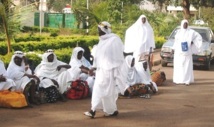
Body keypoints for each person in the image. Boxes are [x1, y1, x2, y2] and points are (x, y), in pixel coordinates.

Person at [84, 21, 132, 118]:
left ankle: (98, 110)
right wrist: (93, 67)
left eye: (99, 30)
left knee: (108, 92)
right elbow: (99, 56)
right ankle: (104, 110)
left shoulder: (114, 40)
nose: (98, 32)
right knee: (100, 90)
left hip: (110, 71)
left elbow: (117, 57)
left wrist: (116, 71)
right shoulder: (102, 41)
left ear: (104, 30)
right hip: (101, 71)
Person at [172, 19, 202, 85]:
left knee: (187, 67)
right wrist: (173, 48)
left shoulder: (191, 32)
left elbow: (198, 38)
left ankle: (187, 81)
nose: (185, 25)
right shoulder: (178, 32)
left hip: (187, 53)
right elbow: (176, 42)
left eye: (186, 24)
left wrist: (193, 43)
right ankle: (179, 80)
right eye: (184, 24)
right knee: (179, 67)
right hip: (179, 53)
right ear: (182, 24)